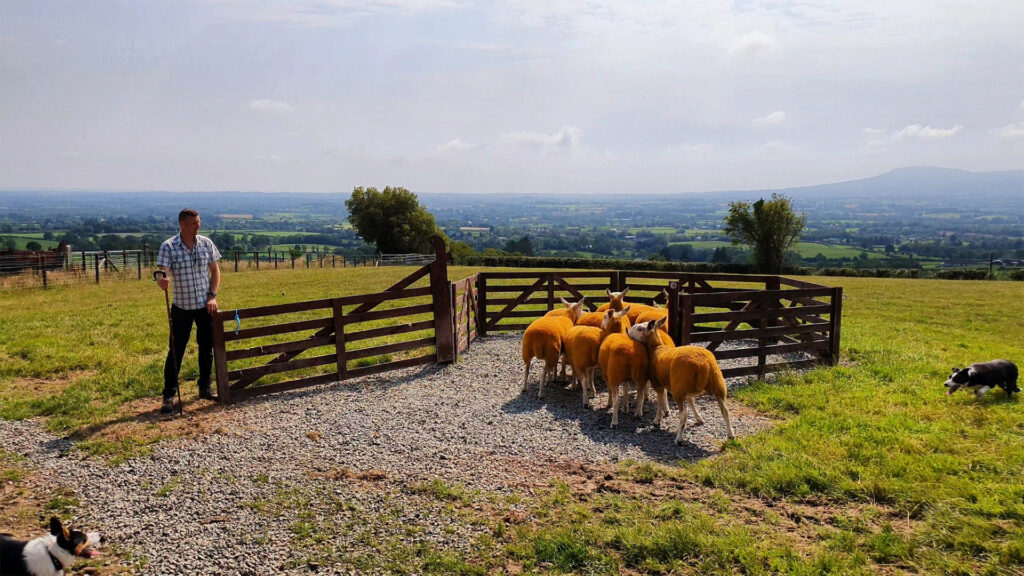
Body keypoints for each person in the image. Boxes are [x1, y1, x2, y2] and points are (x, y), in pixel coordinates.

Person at [156, 209, 222, 413]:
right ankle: (169, 395)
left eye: (198, 223)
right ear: (182, 224)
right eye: (194, 223)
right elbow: (161, 272)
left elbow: (215, 270)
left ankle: (205, 387)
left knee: (206, 348)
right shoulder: (168, 246)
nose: (198, 226)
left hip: (205, 306)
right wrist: (161, 280)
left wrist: (213, 295)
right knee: (176, 351)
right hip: (181, 308)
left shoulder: (206, 243)